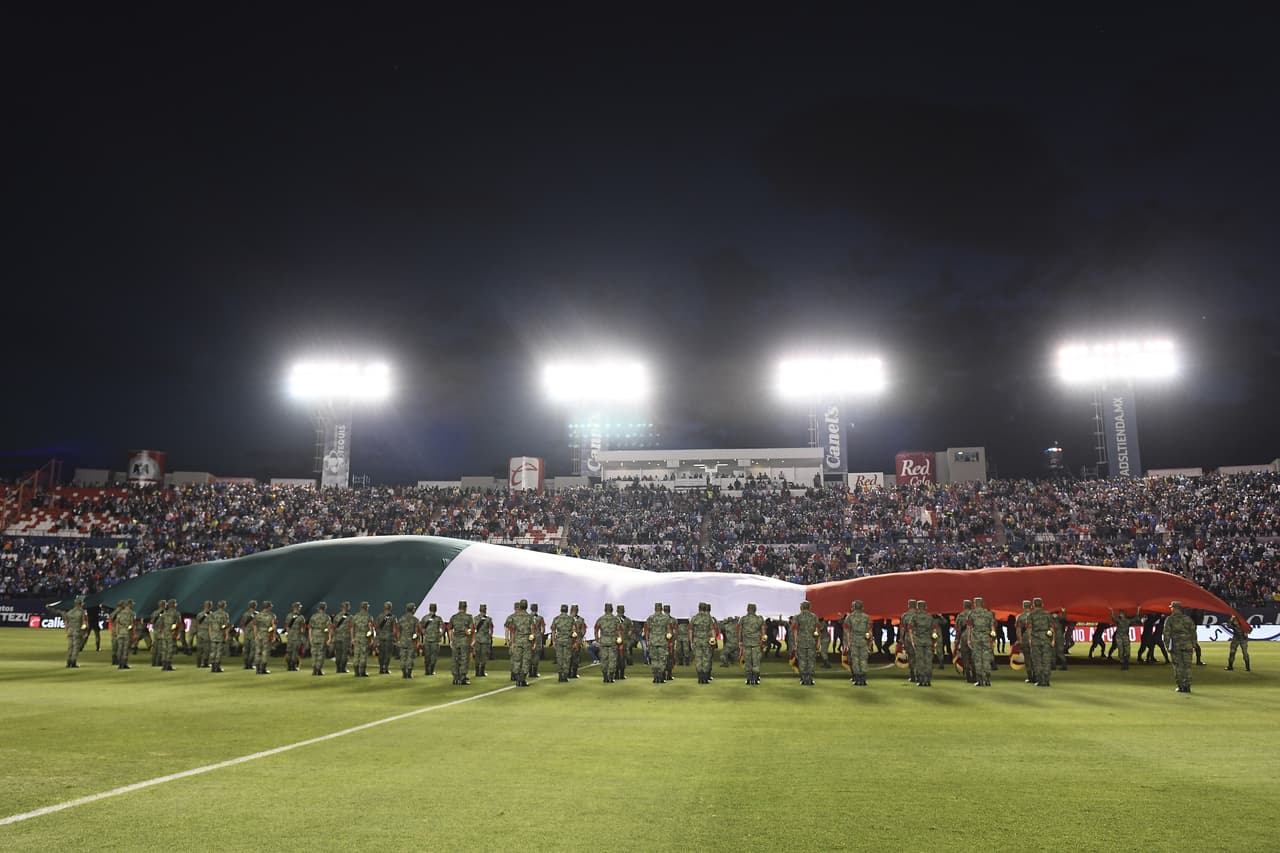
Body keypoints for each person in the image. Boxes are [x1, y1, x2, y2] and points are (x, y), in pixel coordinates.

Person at [1165, 601, 1197, 693]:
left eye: (1171, 607)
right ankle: (1187, 686)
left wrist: (1167, 646)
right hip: (1188, 645)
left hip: (1176, 646)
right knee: (1187, 666)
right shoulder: (1188, 619)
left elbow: (1166, 634)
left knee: (1178, 666)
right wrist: (1193, 644)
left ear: (1175, 608)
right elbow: (1193, 632)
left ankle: (1180, 686)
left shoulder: (1170, 619)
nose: (1170, 609)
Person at [47, 595, 88, 668]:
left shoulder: (70, 612)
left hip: (70, 631)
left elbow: (66, 623)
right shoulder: (82, 612)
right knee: (76, 647)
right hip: (77, 631)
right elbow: (84, 624)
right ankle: (73, 662)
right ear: (80, 604)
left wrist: (66, 631)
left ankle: (68, 662)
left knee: (70, 647)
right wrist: (84, 632)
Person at [791, 600, 822, 686]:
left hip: (801, 641)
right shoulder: (814, 617)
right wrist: (819, 642)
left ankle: (803, 678)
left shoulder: (797, 617)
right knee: (811, 660)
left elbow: (795, 630)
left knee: (802, 660)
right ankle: (810, 678)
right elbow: (818, 630)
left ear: (801, 607)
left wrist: (795, 642)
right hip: (811, 641)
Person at [842, 600, 872, 687]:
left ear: (853, 607)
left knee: (854, 660)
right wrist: (869, 643)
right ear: (862, 607)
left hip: (853, 641)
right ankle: (863, 679)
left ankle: (857, 678)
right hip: (863, 641)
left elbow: (846, 631)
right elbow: (870, 631)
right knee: (863, 659)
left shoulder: (849, 617)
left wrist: (848, 643)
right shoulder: (867, 617)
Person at [968, 596, 996, 687]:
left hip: (975, 638)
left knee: (977, 659)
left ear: (975, 604)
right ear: (983, 604)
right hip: (986, 638)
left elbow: (969, 627)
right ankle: (987, 680)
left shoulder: (971, 614)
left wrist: (969, 639)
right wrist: (993, 640)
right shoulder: (989, 614)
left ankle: (979, 681)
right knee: (987, 659)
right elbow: (993, 628)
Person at [689, 602, 719, 685]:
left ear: (698, 608)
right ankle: (705, 678)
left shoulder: (694, 618)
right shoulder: (708, 618)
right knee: (706, 659)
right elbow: (712, 630)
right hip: (706, 641)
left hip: (697, 641)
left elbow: (691, 631)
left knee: (698, 659)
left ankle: (700, 678)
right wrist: (714, 640)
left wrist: (691, 642)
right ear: (705, 608)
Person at [505, 600, 534, 687]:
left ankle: (517, 679)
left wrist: (510, 641)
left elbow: (510, 630)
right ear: (527, 606)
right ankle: (522, 679)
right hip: (527, 641)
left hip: (517, 641)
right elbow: (533, 630)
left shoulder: (512, 617)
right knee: (526, 660)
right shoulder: (530, 617)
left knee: (517, 660)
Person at [1026, 597, 1054, 687]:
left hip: (1035, 638)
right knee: (1046, 660)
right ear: (1042, 604)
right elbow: (1052, 628)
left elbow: (1029, 628)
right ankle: (1047, 680)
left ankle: (1040, 680)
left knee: (1037, 660)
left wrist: (1030, 639)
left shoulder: (1031, 615)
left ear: (1033, 605)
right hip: (1046, 638)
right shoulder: (1048, 614)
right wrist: (1053, 640)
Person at [644, 602, 672, 683]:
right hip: (663, 642)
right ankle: (661, 677)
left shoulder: (650, 618)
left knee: (654, 660)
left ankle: (655, 677)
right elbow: (669, 631)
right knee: (662, 660)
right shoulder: (666, 618)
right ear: (661, 609)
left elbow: (647, 631)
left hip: (653, 641)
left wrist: (647, 641)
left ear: (655, 608)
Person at [739, 604, 766, 685]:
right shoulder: (759, 619)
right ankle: (755, 679)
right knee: (756, 662)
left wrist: (740, 641)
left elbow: (740, 631)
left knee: (748, 662)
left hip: (746, 643)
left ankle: (748, 679)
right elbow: (763, 631)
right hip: (756, 643)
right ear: (755, 609)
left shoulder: (743, 619)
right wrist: (763, 641)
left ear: (747, 609)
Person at [449, 600, 475, 685]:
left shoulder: (453, 617)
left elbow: (450, 629)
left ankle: (455, 678)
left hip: (456, 640)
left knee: (455, 659)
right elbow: (471, 630)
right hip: (464, 640)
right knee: (464, 659)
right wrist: (471, 640)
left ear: (458, 607)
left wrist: (451, 640)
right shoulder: (469, 617)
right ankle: (462, 677)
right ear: (465, 608)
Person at [910, 600, 935, 687]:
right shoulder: (930, 617)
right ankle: (928, 680)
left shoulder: (914, 617)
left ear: (917, 607)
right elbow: (934, 630)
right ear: (925, 607)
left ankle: (921, 680)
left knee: (920, 660)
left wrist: (913, 641)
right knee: (928, 661)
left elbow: (910, 629)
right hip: (928, 641)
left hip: (918, 641)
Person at [595, 603, 622, 683]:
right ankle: (610, 677)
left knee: (604, 659)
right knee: (612, 660)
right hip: (613, 641)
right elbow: (619, 630)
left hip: (603, 641)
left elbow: (596, 629)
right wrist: (620, 639)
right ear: (612, 609)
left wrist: (597, 640)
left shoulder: (600, 619)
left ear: (604, 609)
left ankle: (605, 677)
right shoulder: (616, 619)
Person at [1108, 606, 1140, 671]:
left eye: (1121, 613)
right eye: (1120, 613)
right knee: (1121, 651)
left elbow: (1136, 617)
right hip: (1119, 637)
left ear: (1123, 614)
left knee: (1127, 651)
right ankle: (1123, 664)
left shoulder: (1127, 621)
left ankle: (1125, 664)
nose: (1120, 614)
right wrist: (1112, 610)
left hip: (1125, 637)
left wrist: (1138, 609)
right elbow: (1113, 617)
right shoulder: (1119, 620)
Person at [551, 604, 574, 682]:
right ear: (567, 610)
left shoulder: (556, 618)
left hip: (559, 640)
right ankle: (565, 676)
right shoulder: (571, 619)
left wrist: (553, 641)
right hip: (568, 640)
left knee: (559, 658)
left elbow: (553, 631)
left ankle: (560, 675)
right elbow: (573, 631)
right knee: (567, 659)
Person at [419, 603, 444, 676]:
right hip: (435, 640)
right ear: (436, 609)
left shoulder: (425, 618)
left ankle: (427, 671)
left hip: (427, 639)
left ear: (429, 609)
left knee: (427, 656)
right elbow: (442, 628)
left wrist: (424, 633)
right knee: (434, 656)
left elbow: (421, 627)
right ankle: (432, 670)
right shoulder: (438, 618)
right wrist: (440, 635)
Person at [253, 600, 277, 674]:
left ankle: (257, 669)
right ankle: (263, 669)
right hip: (267, 635)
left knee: (258, 652)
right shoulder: (272, 616)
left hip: (259, 635)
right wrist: (273, 636)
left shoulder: (257, 615)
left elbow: (254, 626)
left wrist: (255, 635)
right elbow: (273, 627)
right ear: (269, 607)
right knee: (265, 652)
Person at [112, 599, 137, 669]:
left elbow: (117, 624)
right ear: (129, 604)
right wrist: (134, 634)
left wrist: (117, 633)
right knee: (125, 649)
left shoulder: (120, 613)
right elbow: (132, 624)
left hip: (120, 632)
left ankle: (120, 663)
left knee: (120, 648)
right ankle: (124, 663)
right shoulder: (131, 613)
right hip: (127, 632)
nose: (132, 606)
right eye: (132, 604)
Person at [350, 601, 373, 677]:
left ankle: (356, 672)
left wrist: (352, 638)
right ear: (366, 607)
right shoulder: (369, 617)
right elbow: (371, 629)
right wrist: (371, 638)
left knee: (356, 654)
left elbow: (352, 628)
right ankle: (362, 672)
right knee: (363, 655)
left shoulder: (355, 616)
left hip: (357, 637)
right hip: (364, 637)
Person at [309, 602, 332, 676]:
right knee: (321, 654)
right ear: (325, 608)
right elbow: (329, 629)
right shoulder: (326, 617)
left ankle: (314, 670)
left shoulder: (313, 616)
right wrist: (329, 638)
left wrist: (310, 637)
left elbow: (310, 628)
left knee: (314, 653)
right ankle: (318, 670)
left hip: (314, 635)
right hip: (322, 636)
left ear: (318, 608)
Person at [396, 603, 418, 679]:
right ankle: (409, 673)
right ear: (412, 609)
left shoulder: (401, 619)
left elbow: (398, 631)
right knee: (410, 658)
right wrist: (416, 642)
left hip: (402, 641)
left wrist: (398, 640)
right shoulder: (415, 619)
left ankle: (404, 674)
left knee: (403, 658)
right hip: (411, 641)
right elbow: (416, 633)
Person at [158, 599, 181, 671]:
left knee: (164, 649)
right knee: (170, 650)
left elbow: (161, 624)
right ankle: (168, 665)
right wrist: (177, 633)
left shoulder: (164, 613)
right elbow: (178, 624)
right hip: (171, 633)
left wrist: (161, 632)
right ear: (174, 605)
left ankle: (164, 665)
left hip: (164, 633)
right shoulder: (176, 613)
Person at [208, 600, 230, 673]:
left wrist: (210, 634)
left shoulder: (212, 614)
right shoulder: (225, 615)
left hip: (213, 635)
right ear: (224, 606)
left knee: (213, 651)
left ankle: (213, 666)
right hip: (220, 635)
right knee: (219, 652)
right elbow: (226, 626)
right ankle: (217, 667)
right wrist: (226, 635)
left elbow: (210, 626)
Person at [375, 601, 397, 675]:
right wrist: (394, 637)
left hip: (381, 638)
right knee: (387, 654)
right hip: (389, 638)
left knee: (381, 653)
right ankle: (386, 669)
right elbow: (394, 629)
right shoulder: (393, 617)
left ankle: (381, 669)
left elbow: (377, 628)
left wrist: (379, 635)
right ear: (390, 607)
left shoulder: (379, 616)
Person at [955, 600, 974, 682]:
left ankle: (967, 676)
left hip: (964, 637)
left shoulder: (960, 615)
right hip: (974, 637)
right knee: (974, 657)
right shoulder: (974, 615)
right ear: (971, 606)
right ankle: (975, 676)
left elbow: (958, 629)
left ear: (964, 606)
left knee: (965, 657)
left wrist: (957, 639)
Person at [283, 602, 305, 671]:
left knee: (289, 651)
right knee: (295, 652)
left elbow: (286, 627)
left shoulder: (288, 616)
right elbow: (302, 629)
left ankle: (289, 666)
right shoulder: (301, 617)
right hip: (297, 636)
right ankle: (293, 666)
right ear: (298, 608)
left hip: (290, 636)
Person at [473, 604, 494, 678]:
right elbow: (491, 629)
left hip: (477, 639)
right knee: (484, 656)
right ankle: (482, 671)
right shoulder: (488, 619)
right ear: (485, 610)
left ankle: (476, 672)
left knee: (477, 656)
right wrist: (490, 637)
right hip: (485, 640)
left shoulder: (475, 618)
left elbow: (474, 629)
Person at [899, 599, 917, 683]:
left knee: (911, 657)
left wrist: (901, 639)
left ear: (908, 605)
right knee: (919, 657)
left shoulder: (904, 616)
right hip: (919, 638)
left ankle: (912, 675)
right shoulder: (918, 615)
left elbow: (902, 629)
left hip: (908, 638)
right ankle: (920, 675)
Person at [332, 601, 353, 674]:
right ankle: (343, 668)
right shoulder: (350, 617)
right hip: (346, 637)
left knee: (338, 653)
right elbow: (351, 628)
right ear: (347, 607)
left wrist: (334, 636)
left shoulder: (337, 616)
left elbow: (333, 627)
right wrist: (352, 638)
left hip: (338, 637)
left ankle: (338, 669)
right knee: (345, 653)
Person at [193, 600, 213, 668]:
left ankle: (198, 664)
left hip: (199, 633)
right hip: (207, 633)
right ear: (210, 606)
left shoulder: (199, 614)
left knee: (199, 649)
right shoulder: (211, 615)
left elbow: (197, 623)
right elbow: (211, 626)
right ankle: (205, 663)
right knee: (207, 649)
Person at [240, 600, 258, 670]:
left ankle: (245, 664)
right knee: (253, 649)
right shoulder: (257, 614)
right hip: (254, 633)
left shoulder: (245, 614)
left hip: (246, 634)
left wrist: (245, 631)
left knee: (246, 650)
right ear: (255, 606)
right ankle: (250, 664)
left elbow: (242, 624)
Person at [569, 604, 586, 679]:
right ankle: (568, 673)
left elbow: (583, 629)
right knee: (568, 658)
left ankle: (574, 673)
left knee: (576, 658)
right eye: (574, 609)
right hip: (568, 641)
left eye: (576, 610)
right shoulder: (567, 619)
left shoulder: (581, 619)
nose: (575, 611)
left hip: (577, 641)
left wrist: (581, 636)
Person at [528, 603, 545, 678]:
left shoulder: (526, 617)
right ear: (537, 609)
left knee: (528, 654)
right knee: (536, 654)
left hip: (528, 636)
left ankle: (529, 672)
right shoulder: (540, 618)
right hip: (537, 637)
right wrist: (539, 634)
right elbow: (543, 629)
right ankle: (534, 672)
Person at [615, 604, 632, 680]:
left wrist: (629, 633)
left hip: (625, 641)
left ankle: (621, 674)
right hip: (615, 642)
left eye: (621, 611)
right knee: (615, 658)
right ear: (617, 611)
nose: (620, 612)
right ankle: (615, 674)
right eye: (619, 611)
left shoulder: (627, 620)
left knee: (623, 658)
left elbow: (631, 628)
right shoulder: (613, 620)